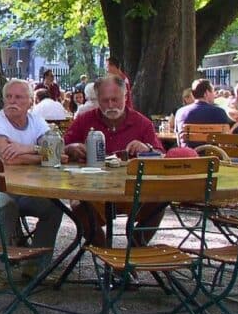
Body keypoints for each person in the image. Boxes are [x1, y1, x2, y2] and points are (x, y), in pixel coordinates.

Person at [0, 79, 64, 289]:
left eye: (19, 97)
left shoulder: (37, 121)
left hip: (22, 190)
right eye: (9, 97)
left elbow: (57, 151)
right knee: (6, 205)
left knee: (54, 207)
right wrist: (40, 151)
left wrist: (24, 149)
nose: (13, 101)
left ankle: (34, 267)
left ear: (30, 101)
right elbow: (9, 158)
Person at [64, 76, 164, 246]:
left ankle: (134, 251)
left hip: (133, 192)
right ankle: (107, 255)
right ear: (97, 100)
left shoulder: (142, 123)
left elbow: (161, 155)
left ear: (125, 97)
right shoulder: (84, 120)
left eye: (115, 100)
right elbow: (61, 149)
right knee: (78, 205)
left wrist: (147, 149)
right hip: (93, 190)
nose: (110, 105)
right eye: (105, 100)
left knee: (160, 201)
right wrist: (71, 148)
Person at [174, 79, 232, 147]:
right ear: (206, 93)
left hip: (188, 155)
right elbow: (225, 140)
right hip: (213, 155)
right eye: (213, 92)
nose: (214, 95)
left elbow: (178, 141)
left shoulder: (180, 112)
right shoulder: (220, 112)